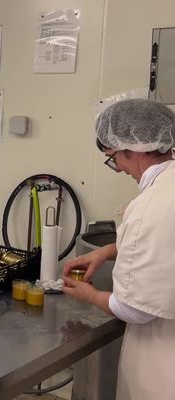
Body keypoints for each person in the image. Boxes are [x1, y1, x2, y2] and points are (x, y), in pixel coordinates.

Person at [62, 98, 175, 399]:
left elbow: (134, 309)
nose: (117, 169)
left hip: (162, 366)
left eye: (114, 158)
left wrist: (90, 296)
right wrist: (109, 250)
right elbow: (166, 246)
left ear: (134, 148)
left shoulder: (150, 205)